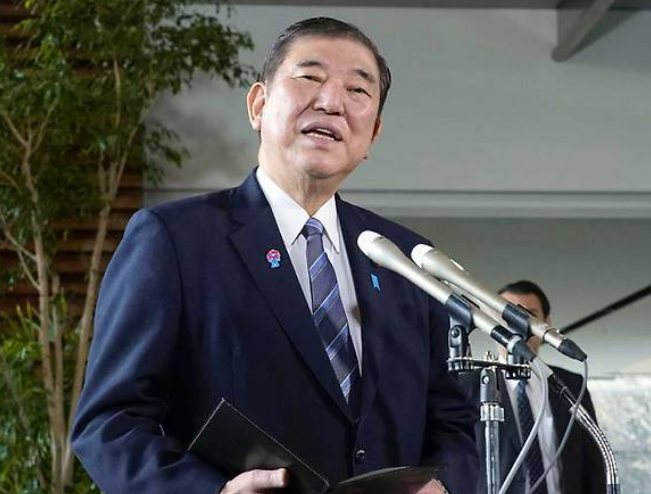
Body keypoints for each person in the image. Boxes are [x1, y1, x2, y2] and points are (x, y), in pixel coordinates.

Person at [72, 17, 478, 494]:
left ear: (373, 134)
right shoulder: (174, 239)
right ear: (258, 105)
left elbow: (455, 423)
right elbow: (110, 424)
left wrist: (444, 485)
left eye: (357, 90)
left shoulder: (405, 258)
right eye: (310, 77)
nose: (331, 102)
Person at [460, 280, 605, 494]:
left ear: (545, 323)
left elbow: (593, 461)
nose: (517, 324)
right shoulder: (467, 386)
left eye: (529, 315)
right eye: (505, 314)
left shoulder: (571, 384)